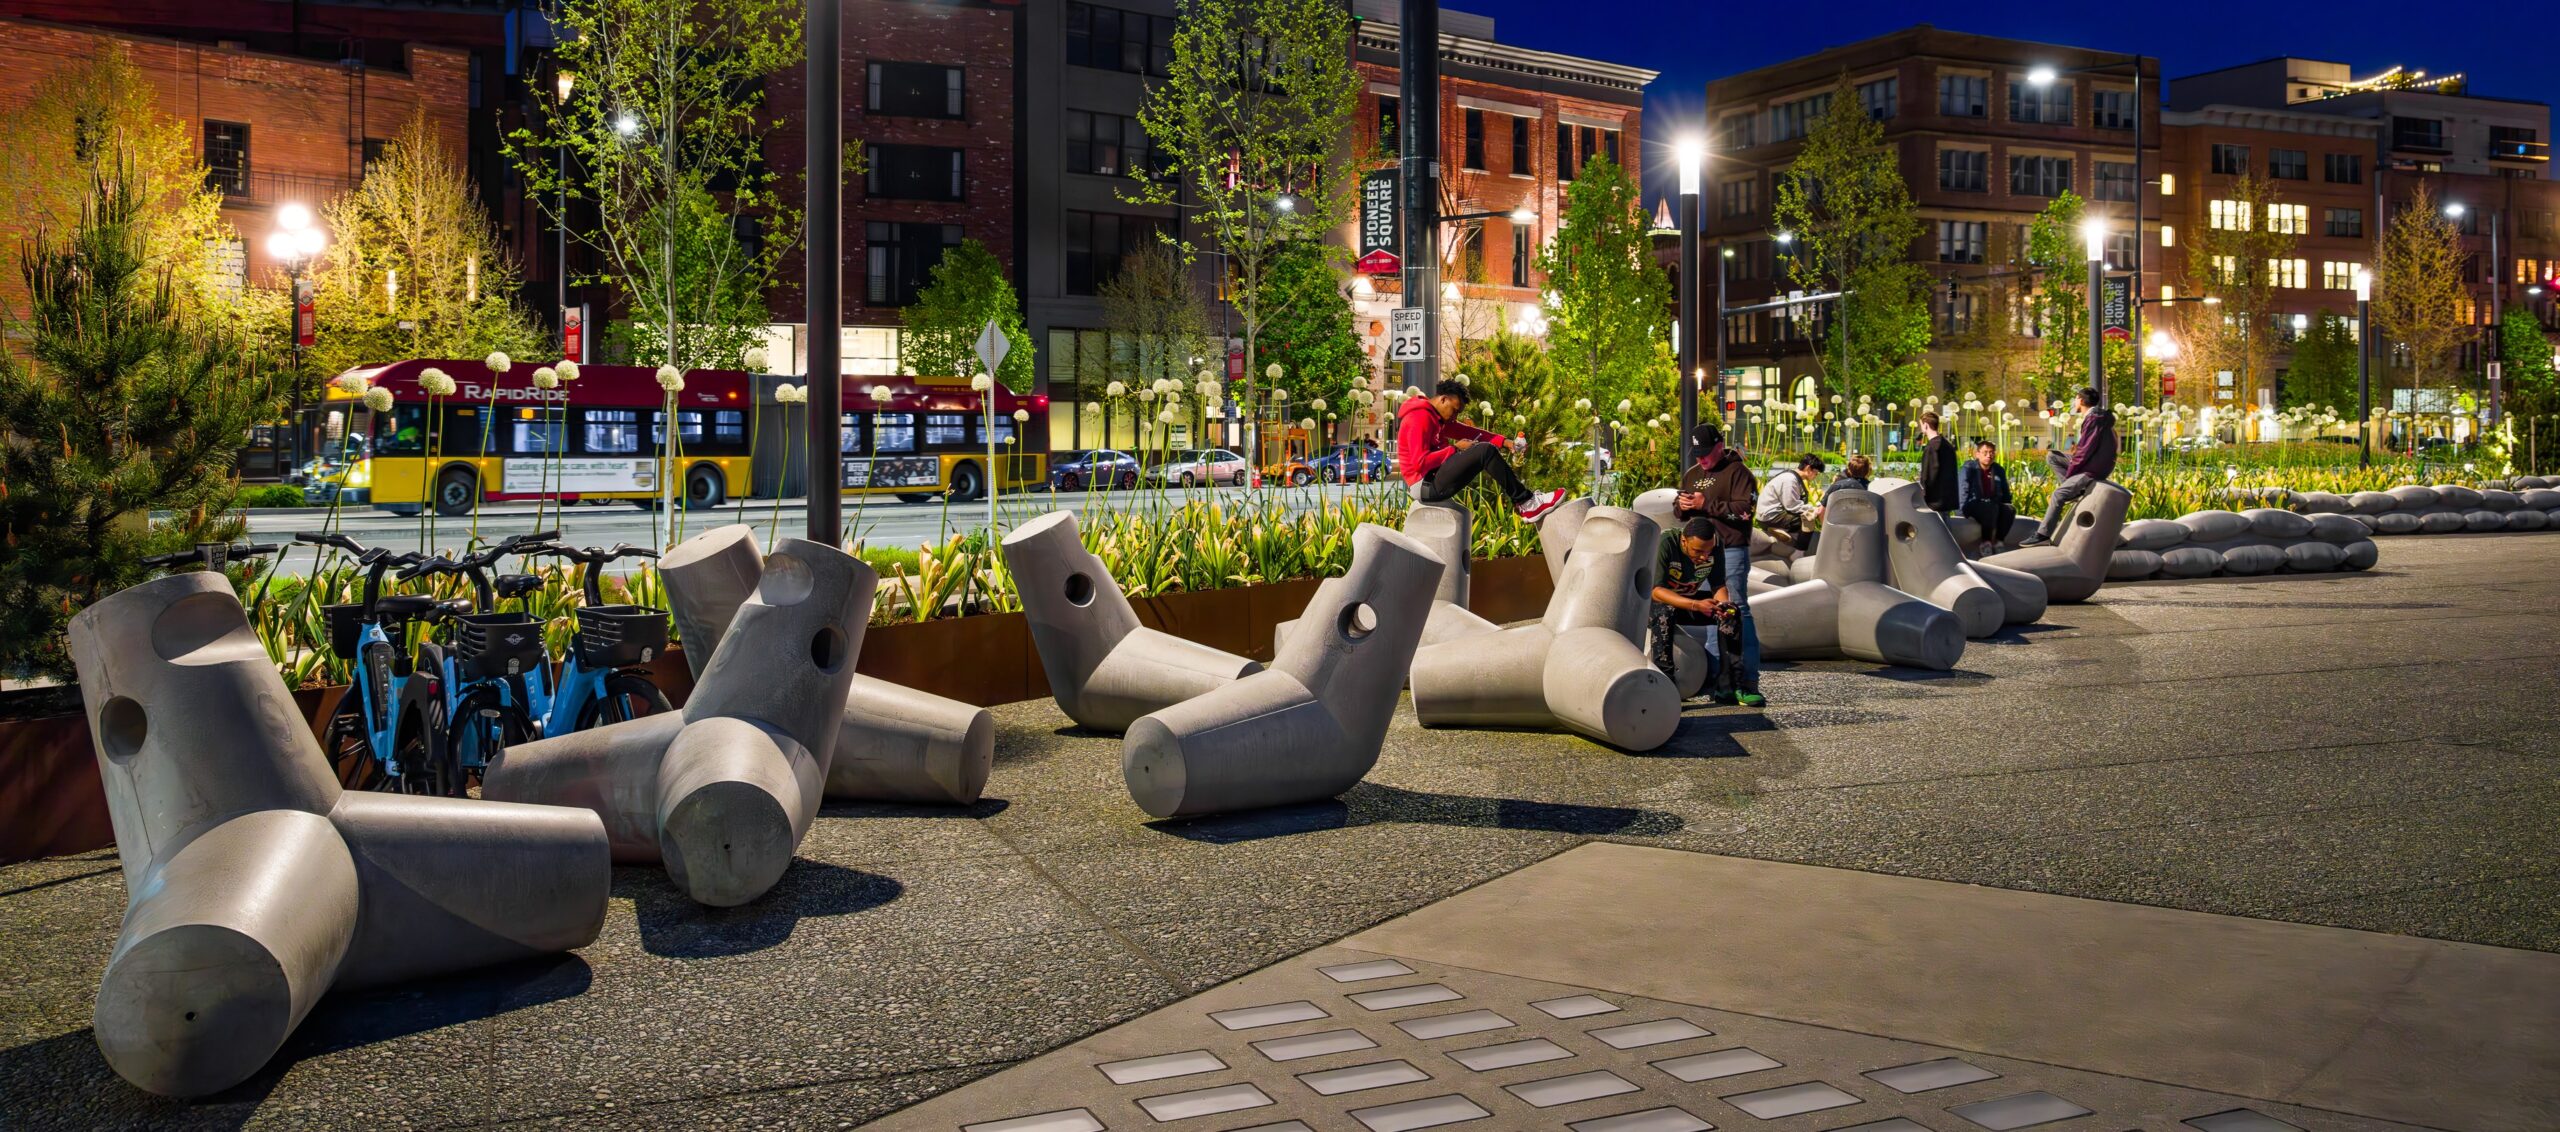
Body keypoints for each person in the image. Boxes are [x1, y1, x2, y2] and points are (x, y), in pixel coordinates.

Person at [1673, 423, 1764, 706]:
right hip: (1699, 554)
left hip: (1731, 548)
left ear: (1719, 445)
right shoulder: (1693, 474)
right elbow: (1679, 513)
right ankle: (1720, 682)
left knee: (1735, 610)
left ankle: (1746, 681)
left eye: (1705, 453)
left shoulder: (1738, 473)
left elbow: (1745, 512)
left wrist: (1705, 502)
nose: (1701, 459)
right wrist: (1682, 506)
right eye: (1697, 453)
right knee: (1713, 613)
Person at [1396, 378, 1567, 519]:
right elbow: (1420, 463)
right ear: (1443, 399)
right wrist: (1455, 449)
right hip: (1425, 485)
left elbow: (1469, 431)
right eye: (1455, 411)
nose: (1455, 417)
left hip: (1433, 479)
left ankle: (1526, 502)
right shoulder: (1419, 418)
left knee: (1484, 449)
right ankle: (1527, 503)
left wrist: (1505, 442)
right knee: (1484, 451)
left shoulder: (1438, 418)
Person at [2020, 387, 2117, 547]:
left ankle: (2043, 534)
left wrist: (2072, 472)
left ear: (2081, 400)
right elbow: (2085, 448)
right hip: (2094, 463)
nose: (2074, 402)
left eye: (2075, 399)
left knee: (2059, 494)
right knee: (2052, 456)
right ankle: (2074, 492)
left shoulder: (2094, 419)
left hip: (2093, 469)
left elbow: (2085, 451)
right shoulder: (2096, 417)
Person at [1649, 518, 1725, 699]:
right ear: (1684, 541)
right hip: (1652, 606)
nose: (1704, 557)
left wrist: (1723, 606)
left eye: (1708, 551)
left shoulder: (1715, 544)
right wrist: (1696, 605)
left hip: (1687, 603)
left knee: (1731, 615)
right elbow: (1656, 592)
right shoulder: (1665, 542)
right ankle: (1666, 688)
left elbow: (1718, 586)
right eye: (1698, 551)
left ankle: (1729, 683)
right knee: (1665, 612)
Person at [1755, 453, 1826, 556]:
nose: (1816, 476)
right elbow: (1792, 506)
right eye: (1816, 473)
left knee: (1806, 516)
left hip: (1770, 515)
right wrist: (1814, 509)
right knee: (1808, 518)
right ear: (1808, 468)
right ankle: (1798, 553)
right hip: (1770, 517)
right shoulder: (1790, 480)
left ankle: (1786, 536)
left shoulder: (1792, 477)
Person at [1956, 438, 2015, 554]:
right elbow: (1962, 489)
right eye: (1985, 452)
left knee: (2009, 509)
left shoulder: (1998, 470)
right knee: (1989, 507)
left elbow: (2005, 492)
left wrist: (2006, 505)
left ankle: (1998, 542)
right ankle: (1986, 542)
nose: (1989, 455)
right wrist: (1960, 511)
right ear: (1977, 454)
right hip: (1973, 504)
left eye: (1992, 452)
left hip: (1992, 504)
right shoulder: (1969, 468)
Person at [1916, 411, 1958, 514]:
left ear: (1925, 425)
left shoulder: (1931, 447)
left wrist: (1922, 494)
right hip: (1947, 500)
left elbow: (1928, 475)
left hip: (1934, 502)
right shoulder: (1947, 445)